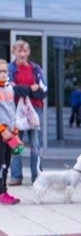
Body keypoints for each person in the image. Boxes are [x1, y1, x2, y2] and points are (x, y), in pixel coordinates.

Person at [8, 39, 46, 186]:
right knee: (16, 144)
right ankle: (16, 177)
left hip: (34, 110)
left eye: (25, 51)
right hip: (15, 111)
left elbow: (43, 90)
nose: (22, 54)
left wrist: (22, 89)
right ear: (14, 52)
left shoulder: (35, 68)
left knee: (35, 144)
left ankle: (37, 177)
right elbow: (11, 89)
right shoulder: (10, 69)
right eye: (19, 51)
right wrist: (31, 89)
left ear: (28, 52)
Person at [0, 59, 22, 205]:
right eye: (0, 71)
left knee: (6, 163)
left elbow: (12, 111)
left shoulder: (9, 88)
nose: (2, 74)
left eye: (4, 71)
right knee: (0, 163)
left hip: (9, 132)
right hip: (1, 132)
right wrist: (2, 130)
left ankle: (3, 191)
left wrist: (14, 131)